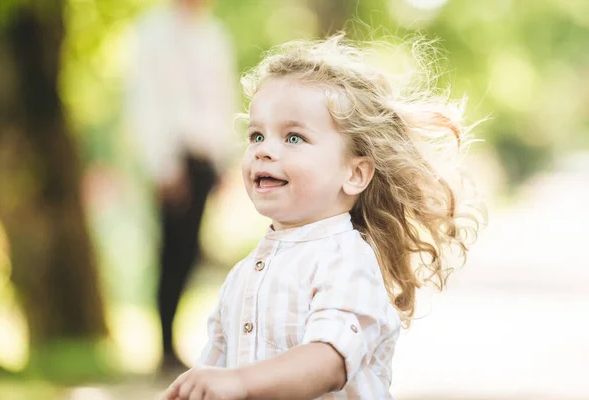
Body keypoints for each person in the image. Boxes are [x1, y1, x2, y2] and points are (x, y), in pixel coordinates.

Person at [163, 33, 482, 399]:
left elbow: (328, 362)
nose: (265, 150)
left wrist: (239, 383)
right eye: (256, 136)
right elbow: (211, 375)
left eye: (294, 137)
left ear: (355, 174)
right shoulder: (243, 274)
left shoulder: (346, 261)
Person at [125, 0, 237, 370]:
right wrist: (163, 165)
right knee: (172, 252)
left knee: (190, 251)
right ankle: (165, 345)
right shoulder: (154, 32)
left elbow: (221, 98)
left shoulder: (214, 34)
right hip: (174, 157)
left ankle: (172, 343)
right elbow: (148, 101)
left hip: (206, 157)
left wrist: (223, 159)